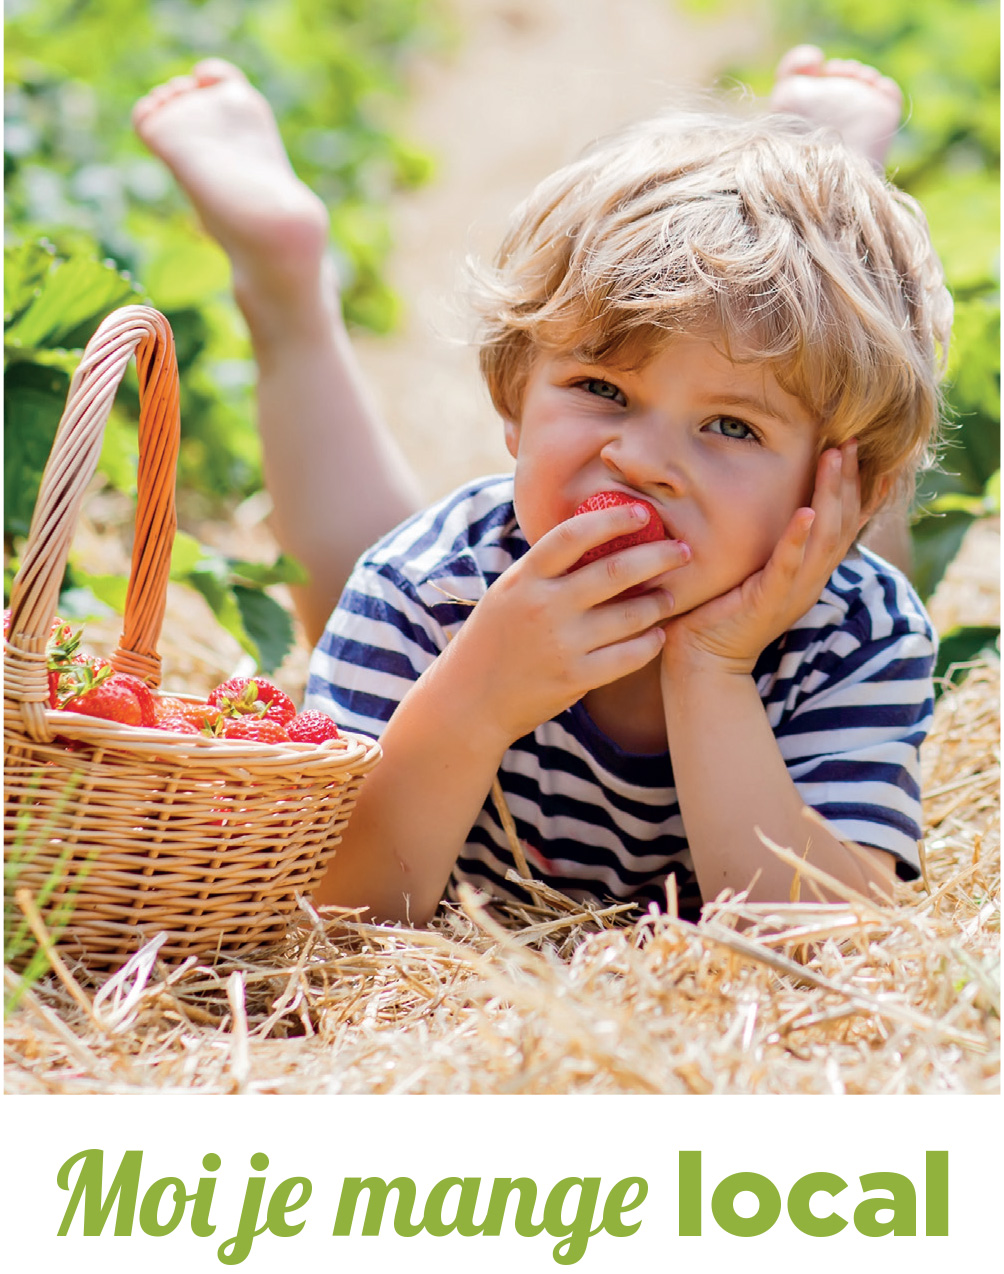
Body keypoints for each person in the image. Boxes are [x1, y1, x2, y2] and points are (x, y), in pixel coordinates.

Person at [134, 48, 950, 924]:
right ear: (513, 400)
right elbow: (341, 914)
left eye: (731, 426)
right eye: (603, 390)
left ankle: (825, 209)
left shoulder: (853, 633)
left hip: (822, 527)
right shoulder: (423, 584)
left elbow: (829, 940)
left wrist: (712, 669)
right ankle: (286, 289)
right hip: (447, 602)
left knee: (856, 470)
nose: (641, 461)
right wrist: (478, 693)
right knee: (347, 582)